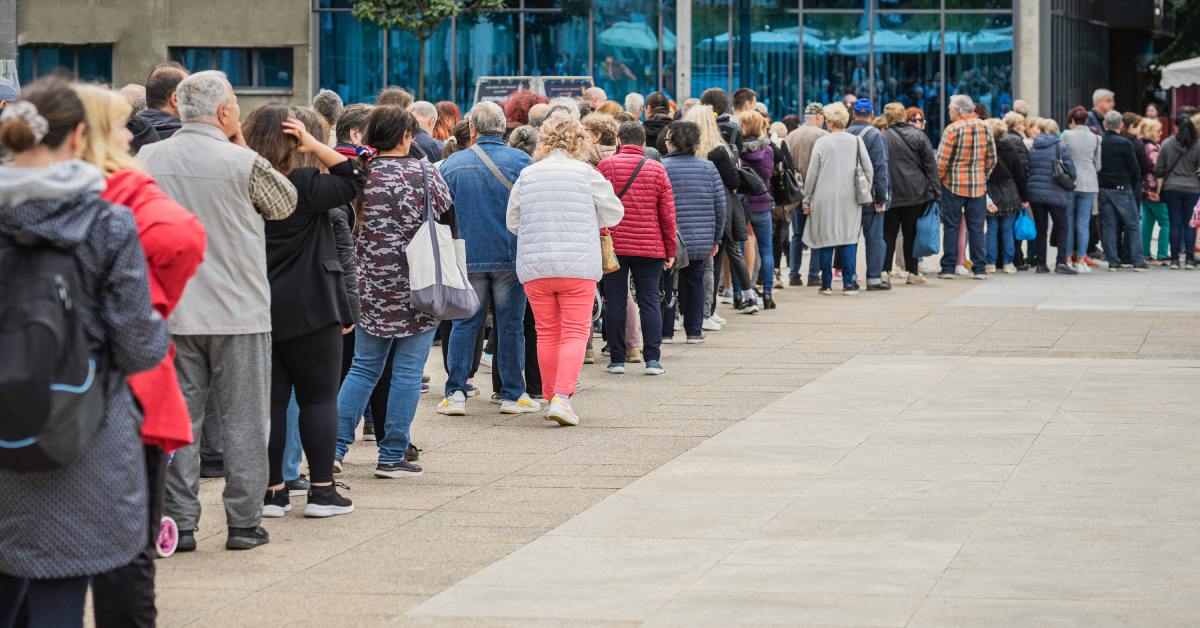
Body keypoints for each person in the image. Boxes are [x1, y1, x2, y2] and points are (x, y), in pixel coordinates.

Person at [0, 77, 169, 627]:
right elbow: (140, 349)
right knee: (61, 585)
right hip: (80, 434)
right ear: (78, 137)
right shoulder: (106, 222)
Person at [142, 71, 298, 552]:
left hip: (171, 309)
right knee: (246, 422)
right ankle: (243, 522)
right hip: (238, 310)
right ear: (225, 112)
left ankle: (180, 524)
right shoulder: (243, 161)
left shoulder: (147, 157)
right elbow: (285, 205)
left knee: (178, 423)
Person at [74, 83, 206, 626]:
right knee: (126, 556)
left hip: (33, 387)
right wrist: (154, 301)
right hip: (124, 390)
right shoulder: (123, 196)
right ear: (89, 137)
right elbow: (182, 237)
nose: (131, 134)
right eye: (120, 126)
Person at [241, 104, 364, 518]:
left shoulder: (243, 182)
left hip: (258, 305)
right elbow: (355, 177)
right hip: (314, 304)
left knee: (271, 404)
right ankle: (321, 492)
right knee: (318, 399)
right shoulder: (306, 184)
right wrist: (315, 144)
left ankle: (273, 491)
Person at [335, 105, 451, 477]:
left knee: (363, 368)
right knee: (406, 372)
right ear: (406, 136)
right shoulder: (425, 172)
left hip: (368, 286)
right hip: (419, 284)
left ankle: (332, 448)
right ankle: (392, 454)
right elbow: (446, 212)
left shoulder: (360, 174)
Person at [506, 112, 623, 426]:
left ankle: (549, 395)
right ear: (579, 140)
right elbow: (614, 212)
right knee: (574, 332)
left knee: (546, 333)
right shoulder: (587, 173)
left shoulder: (529, 175)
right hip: (577, 265)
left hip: (536, 265)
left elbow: (513, 222)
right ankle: (562, 396)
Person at [437, 101, 540, 415]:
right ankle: (512, 393)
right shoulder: (522, 161)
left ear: (472, 129)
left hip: (467, 254)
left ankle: (457, 391)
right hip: (510, 255)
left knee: (464, 324)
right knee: (510, 326)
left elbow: (442, 212)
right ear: (504, 126)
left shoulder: (452, 165)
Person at [599, 120, 676, 375]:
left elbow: (598, 207)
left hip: (615, 245)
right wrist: (670, 250)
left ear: (620, 141)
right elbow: (667, 214)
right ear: (643, 143)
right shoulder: (656, 169)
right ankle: (652, 359)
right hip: (650, 245)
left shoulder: (606, 166)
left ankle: (617, 359)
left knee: (616, 300)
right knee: (650, 300)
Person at [684, 104, 757, 314]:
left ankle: (688, 309)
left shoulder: (682, 150)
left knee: (688, 263)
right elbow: (733, 181)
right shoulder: (718, 150)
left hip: (686, 208)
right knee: (714, 262)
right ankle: (708, 310)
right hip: (716, 209)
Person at [662, 121, 726, 342]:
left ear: (671, 142)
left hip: (670, 238)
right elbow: (720, 205)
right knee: (695, 282)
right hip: (701, 238)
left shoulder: (662, 167)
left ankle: (666, 330)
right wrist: (716, 237)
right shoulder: (708, 168)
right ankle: (694, 331)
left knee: (667, 283)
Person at [802, 102, 873, 295]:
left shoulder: (822, 142)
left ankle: (826, 284)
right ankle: (848, 284)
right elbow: (869, 169)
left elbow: (812, 175)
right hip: (850, 197)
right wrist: (866, 189)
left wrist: (807, 198)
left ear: (831, 122)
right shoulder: (856, 141)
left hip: (823, 198)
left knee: (826, 239)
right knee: (849, 238)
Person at [936, 94, 996, 280]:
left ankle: (948, 268)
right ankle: (979, 268)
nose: (949, 111)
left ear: (958, 110)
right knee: (977, 228)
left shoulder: (952, 129)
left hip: (953, 184)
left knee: (952, 227)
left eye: (950, 108)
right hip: (978, 186)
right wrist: (982, 175)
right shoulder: (985, 127)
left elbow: (941, 161)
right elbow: (992, 158)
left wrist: (941, 179)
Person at [882, 102, 938, 283]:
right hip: (916, 192)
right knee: (911, 233)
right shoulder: (918, 136)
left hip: (891, 192)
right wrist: (936, 190)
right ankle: (912, 272)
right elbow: (930, 165)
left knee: (888, 233)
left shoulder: (883, 137)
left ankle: (885, 271)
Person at [1095, 110, 1149, 271]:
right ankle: (1138, 260)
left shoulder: (1100, 141)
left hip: (1104, 187)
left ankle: (1113, 261)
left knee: (1110, 226)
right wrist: (1133, 184)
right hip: (1122, 187)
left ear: (1105, 124)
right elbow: (1135, 169)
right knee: (1132, 224)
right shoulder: (1124, 143)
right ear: (1121, 125)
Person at [847, 98, 892, 289]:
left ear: (854, 114)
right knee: (874, 237)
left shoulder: (845, 133)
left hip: (848, 196)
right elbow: (880, 168)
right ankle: (873, 279)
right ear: (871, 115)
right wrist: (882, 197)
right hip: (870, 196)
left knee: (849, 238)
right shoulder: (875, 134)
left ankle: (850, 278)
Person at [1026, 117, 1079, 274]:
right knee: (1062, 226)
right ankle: (1061, 262)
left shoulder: (1034, 146)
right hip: (1056, 192)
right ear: (1056, 130)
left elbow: (1029, 168)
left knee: (1040, 228)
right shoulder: (1060, 146)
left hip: (1035, 193)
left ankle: (1041, 263)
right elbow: (1071, 170)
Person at [786, 103, 829, 286]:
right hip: (817, 191)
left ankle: (794, 274)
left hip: (796, 190)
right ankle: (813, 275)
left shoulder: (791, 136)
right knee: (817, 234)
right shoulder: (823, 136)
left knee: (797, 234)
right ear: (819, 117)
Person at [737, 110, 777, 306]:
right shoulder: (768, 150)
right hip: (762, 201)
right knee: (766, 249)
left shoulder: (737, 151)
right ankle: (768, 294)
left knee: (737, 248)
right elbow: (770, 174)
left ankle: (739, 293)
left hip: (742, 204)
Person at [1154, 114, 1200, 269]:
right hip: (1193, 189)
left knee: (1175, 223)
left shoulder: (1167, 143)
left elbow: (1159, 169)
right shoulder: (1198, 144)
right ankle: (1189, 260)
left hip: (1172, 188)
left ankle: (1174, 259)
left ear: (1176, 127)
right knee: (1190, 224)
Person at [985, 117, 1027, 274]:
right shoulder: (1011, 148)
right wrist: (1024, 197)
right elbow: (1020, 175)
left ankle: (990, 262)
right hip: (1010, 192)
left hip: (991, 191)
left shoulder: (985, 149)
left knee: (992, 228)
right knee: (1007, 228)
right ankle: (1008, 262)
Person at [1062, 105, 1102, 272]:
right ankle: (1081, 260)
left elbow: (1062, 158)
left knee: (1069, 221)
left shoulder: (1066, 135)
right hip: (1090, 182)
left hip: (1070, 182)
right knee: (1083, 223)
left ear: (1072, 120)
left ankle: (1067, 258)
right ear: (1086, 120)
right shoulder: (1096, 138)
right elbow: (1098, 165)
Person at [132, 62, 188, 149]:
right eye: (189, 94)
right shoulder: (186, 140)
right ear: (175, 99)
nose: (193, 99)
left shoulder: (125, 134)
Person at [1140, 117, 1171, 263]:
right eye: (1158, 131)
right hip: (1153, 190)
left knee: (1147, 221)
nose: (1160, 133)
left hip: (1143, 190)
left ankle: (1145, 252)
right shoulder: (1152, 148)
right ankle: (1163, 254)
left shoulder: (1141, 145)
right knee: (1166, 221)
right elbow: (1157, 169)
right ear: (1151, 132)